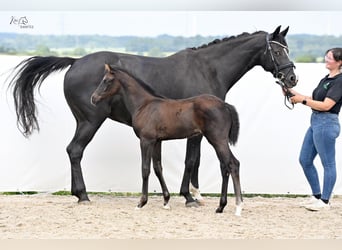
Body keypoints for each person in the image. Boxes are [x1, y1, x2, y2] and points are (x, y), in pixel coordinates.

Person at [289, 47, 342, 211]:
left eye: (330, 57)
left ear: (339, 62)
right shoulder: (327, 79)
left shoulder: (340, 81)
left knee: (328, 163)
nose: (326, 59)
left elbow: (327, 105)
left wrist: (301, 101)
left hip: (327, 122)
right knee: (305, 159)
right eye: (326, 56)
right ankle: (317, 195)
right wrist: (291, 92)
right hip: (316, 121)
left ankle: (325, 201)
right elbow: (315, 98)